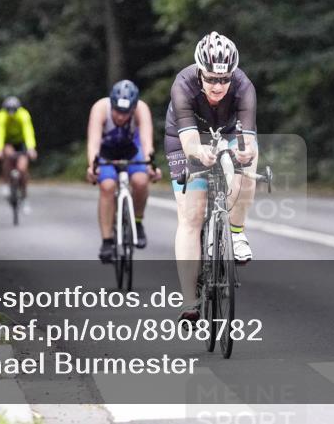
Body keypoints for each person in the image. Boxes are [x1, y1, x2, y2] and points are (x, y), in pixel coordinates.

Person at [165, 32, 258, 323]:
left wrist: (245, 154)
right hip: (185, 136)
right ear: (199, 71)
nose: (218, 86)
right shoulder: (183, 84)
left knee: (249, 169)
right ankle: (189, 300)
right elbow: (191, 143)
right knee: (191, 214)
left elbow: (249, 140)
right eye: (211, 79)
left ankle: (237, 232)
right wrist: (199, 154)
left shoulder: (243, 86)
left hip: (229, 132)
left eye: (224, 79)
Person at [86, 80, 161, 263]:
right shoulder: (100, 108)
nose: (120, 117)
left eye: (126, 113)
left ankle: (137, 221)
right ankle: (106, 241)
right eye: (117, 111)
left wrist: (151, 165)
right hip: (106, 150)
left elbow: (146, 141)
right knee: (107, 186)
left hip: (132, 149)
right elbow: (94, 141)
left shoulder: (141, 109)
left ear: (133, 108)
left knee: (141, 181)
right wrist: (92, 166)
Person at [0, 96, 38, 212]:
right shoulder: (1, 116)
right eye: (9, 110)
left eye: (14, 110)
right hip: (8, 142)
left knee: (22, 169)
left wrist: (31, 148)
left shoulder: (23, 115)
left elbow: (28, 132)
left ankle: (25, 198)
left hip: (21, 142)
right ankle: (6, 183)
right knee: (7, 155)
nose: (11, 113)